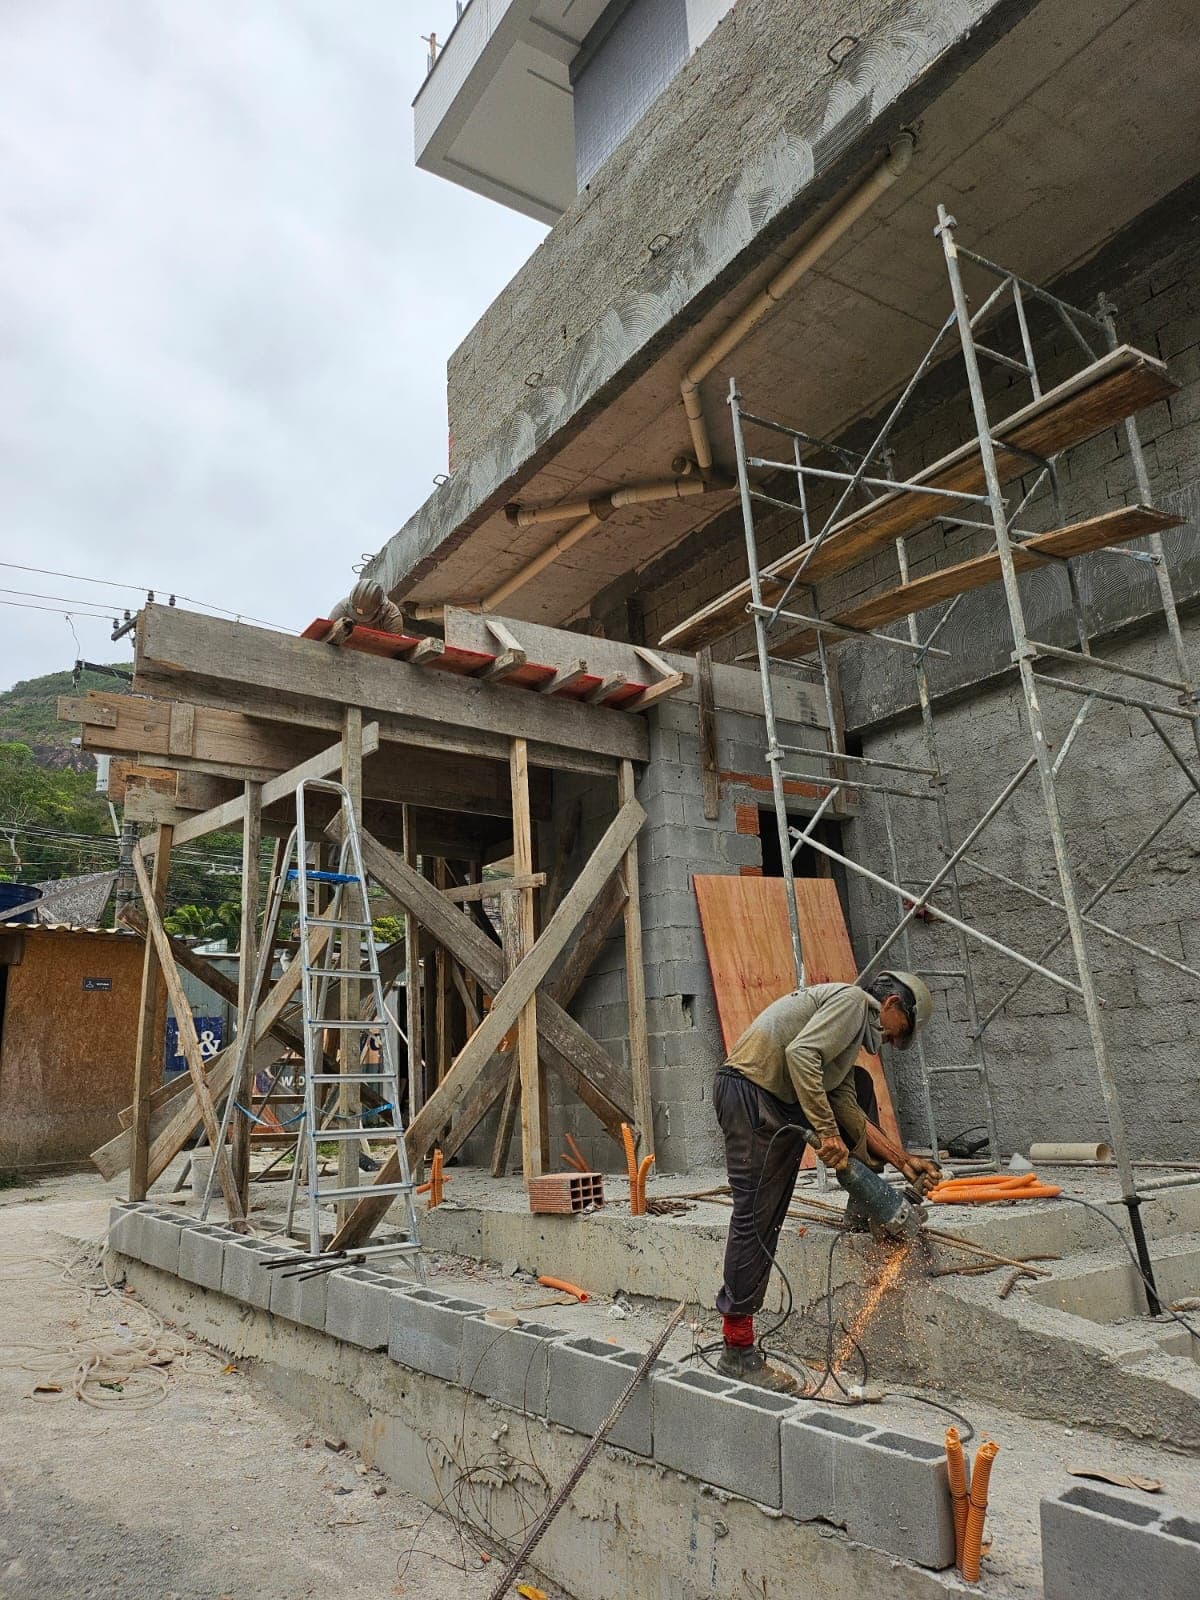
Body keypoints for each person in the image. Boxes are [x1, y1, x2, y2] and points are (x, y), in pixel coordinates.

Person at [712, 971, 939, 1392]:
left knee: (861, 1083)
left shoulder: (845, 1040)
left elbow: (846, 1106)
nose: (892, 1042)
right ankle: (737, 1351)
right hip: (751, 1095)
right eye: (899, 1031)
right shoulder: (853, 1003)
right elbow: (800, 1057)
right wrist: (826, 1134)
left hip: (770, 1099)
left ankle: (868, 1207)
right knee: (755, 1220)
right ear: (890, 1005)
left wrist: (902, 1160)